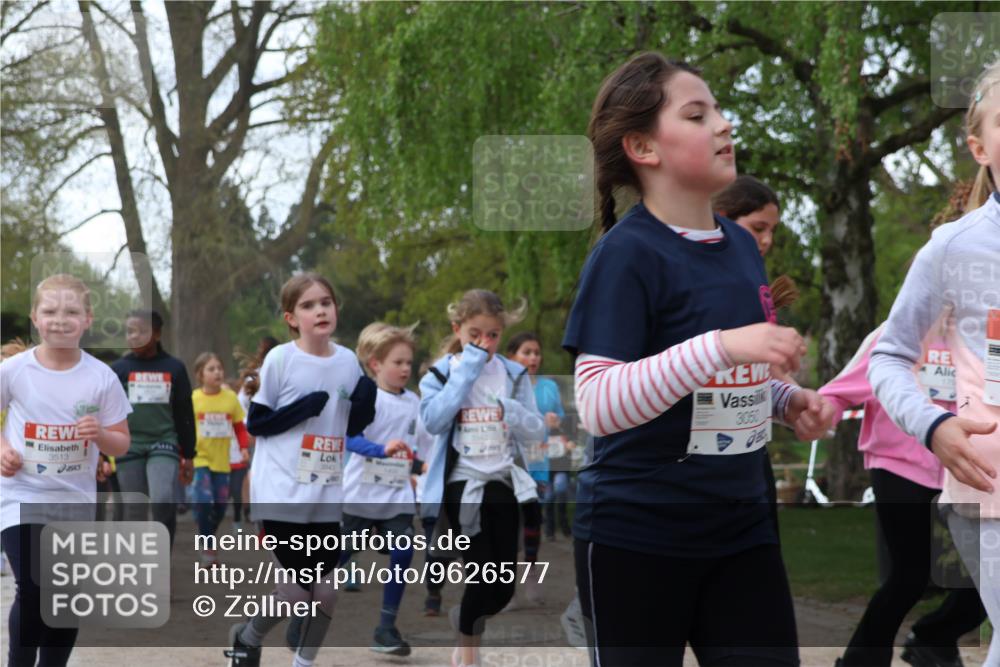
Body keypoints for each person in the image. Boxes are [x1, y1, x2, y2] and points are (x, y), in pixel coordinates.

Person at [563, 52, 835, 667]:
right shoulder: (626, 253)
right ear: (643, 147)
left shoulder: (740, 245)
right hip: (636, 537)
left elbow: (722, 382)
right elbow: (599, 404)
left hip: (743, 531)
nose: (723, 123)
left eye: (718, 109)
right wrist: (723, 344)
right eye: (696, 114)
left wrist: (787, 402)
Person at [869, 61, 1000, 667]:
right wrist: (933, 425)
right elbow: (889, 356)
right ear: (980, 149)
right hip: (990, 486)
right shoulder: (953, 247)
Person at [225, 272, 376, 667]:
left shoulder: (348, 361)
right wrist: (301, 408)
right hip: (280, 492)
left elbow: (352, 426)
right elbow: (257, 423)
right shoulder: (282, 359)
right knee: (295, 593)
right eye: (308, 305)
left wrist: (367, 401)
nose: (320, 310)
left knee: (325, 593)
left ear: (336, 309)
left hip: (325, 493)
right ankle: (247, 637)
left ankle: (302, 662)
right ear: (291, 318)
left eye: (326, 302)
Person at [822, 319, 987, 667]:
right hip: (899, 465)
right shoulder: (895, 332)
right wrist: (818, 413)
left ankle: (934, 639)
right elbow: (840, 391)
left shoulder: (983, 334)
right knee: (910, 575)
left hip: (962, 470)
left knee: (990, 573)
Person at [1, 274, 132, 666]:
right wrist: (3, 449)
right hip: (22, 494)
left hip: (74, 499)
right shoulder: (14, 370)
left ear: (87, 320)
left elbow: (122, 442)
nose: (60, 319)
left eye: (71, 311)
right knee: (33, 588)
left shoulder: (101, 377)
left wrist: (101, 435)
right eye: (50, 311)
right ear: (35, 318)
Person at [419, 289, 545, 667]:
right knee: (481, 576)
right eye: (474, 334)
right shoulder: (441, 373)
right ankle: (469, 656)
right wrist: (466, 373)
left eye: (492, 335)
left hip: (503, 482)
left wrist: (513, 411)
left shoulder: (514, 374)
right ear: (457, 329)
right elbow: (433, 421)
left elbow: (537, 432)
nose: (484, 343)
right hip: (463, 483)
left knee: (503, 587)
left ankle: (465, 619)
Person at [111, 310, 195, 547]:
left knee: (162, 499)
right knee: (134, 510)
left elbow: (184, 414)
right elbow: (107, 413)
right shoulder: (118, 369)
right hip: (129, 444)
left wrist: (189, 455)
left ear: (157, 334)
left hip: (163, 441)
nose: (134, 336)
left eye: (141, 331)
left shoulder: (174, 368)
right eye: (129, 331)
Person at [505, 331, 564, 607]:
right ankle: (506, 589)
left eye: (536, 353)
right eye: (526, 352)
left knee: (532, 522)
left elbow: (559, 419)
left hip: (537, 463)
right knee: (506, 526)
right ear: (511, 356)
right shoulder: (503, 385)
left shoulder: (549, 386)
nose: (533, 358)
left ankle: (530, 574)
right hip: (508, 463)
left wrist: (554, 422)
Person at [190, 352, 248, 565]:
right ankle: (208, 546)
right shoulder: (194, 398)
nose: (217, 372)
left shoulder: (230, 398)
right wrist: (183, 455)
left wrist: (243, 448)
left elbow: (239, 427)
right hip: (200, 457)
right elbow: (185, 428)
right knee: (205, 500)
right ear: (200, 375)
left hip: (223, 460)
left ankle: (206, 536)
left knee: (221, 506)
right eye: (211, 369)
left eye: (220, 368)